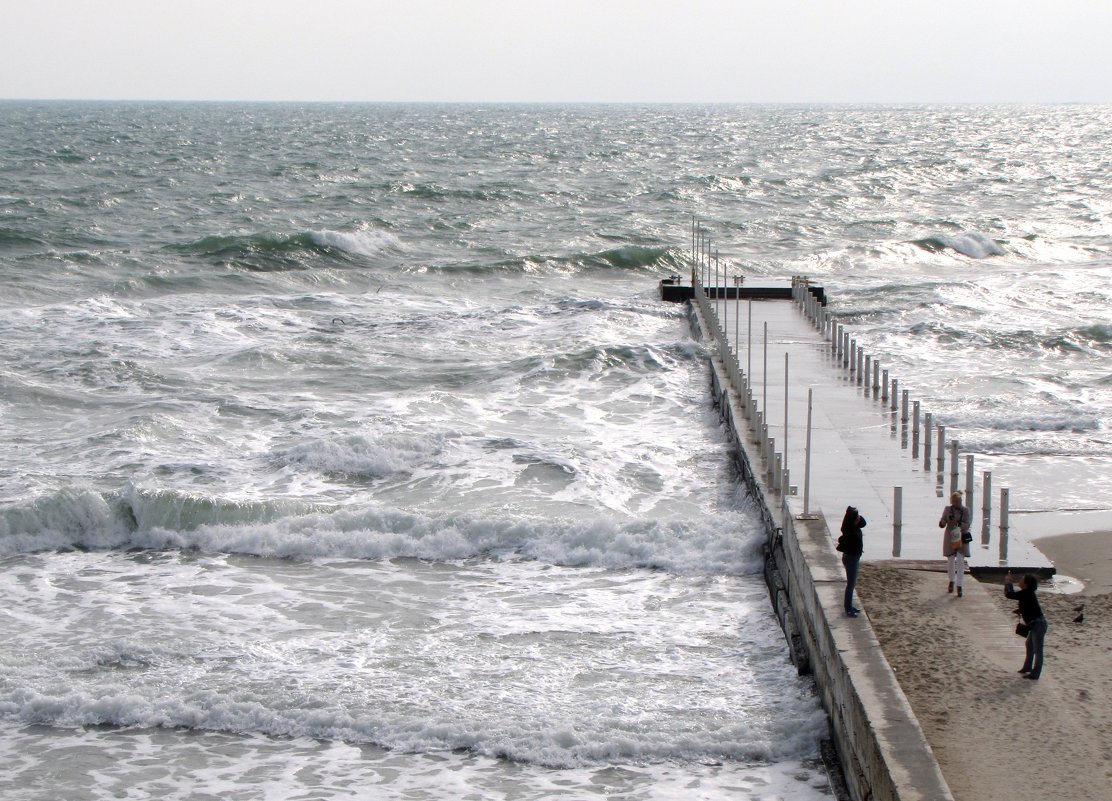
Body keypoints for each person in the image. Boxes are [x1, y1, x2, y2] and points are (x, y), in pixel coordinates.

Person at [1005, 571, 1047, 680]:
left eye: (1022, 580)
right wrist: (1020, 610)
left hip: (1038, 624)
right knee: (1029, 645)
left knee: (1038, 650)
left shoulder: (1026, 593)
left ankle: (1035, 673)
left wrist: (1008, 582)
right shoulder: (1027, 593)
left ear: (1026, 584)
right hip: (1036, 624)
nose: (1020, 581)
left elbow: (1009, 594)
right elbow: (1028, 606)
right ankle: (1027, 668)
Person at [939, 491, 971, 596]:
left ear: (961, 501)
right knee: (950, 559)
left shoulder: (966, 510)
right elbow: (943, 519)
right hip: (950, 536)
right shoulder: (948, 509)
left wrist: (959, 525)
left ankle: (960, 585)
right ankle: (951, 580)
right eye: (953, 501)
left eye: (957, 501)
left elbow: (967, 523)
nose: (955, 503)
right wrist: (942, 523)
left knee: (961, 560)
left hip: (961, 536)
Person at [837, 505, 866, 618]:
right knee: (851, 584)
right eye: (857, 516)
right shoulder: (850, 531)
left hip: (853, 558)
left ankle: (850, 606)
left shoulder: (852, 526)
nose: (859, 518)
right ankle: (848, 608)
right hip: (851, 559)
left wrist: (858, 518)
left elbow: (864, 523)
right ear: (852, 519)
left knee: (852, 583)